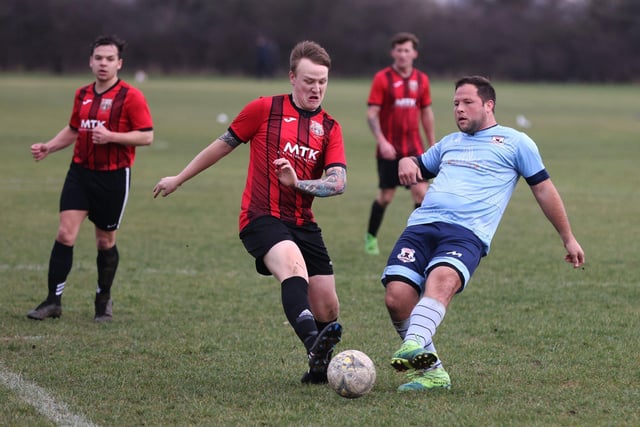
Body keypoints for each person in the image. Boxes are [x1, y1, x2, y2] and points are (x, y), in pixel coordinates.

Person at [153, 40, 346, 384]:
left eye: (322, 82)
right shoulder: (264, 109)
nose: (316, 89)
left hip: (304, 221)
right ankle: (314, 345)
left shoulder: (330, 127)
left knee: (328, 307)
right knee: (293, 267)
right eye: (308, 81)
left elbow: (338, 182)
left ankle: (318, 370)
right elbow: (221, 146)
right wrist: (179, 178)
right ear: (292, 77)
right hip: (260, 216)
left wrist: (297, 182)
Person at [382, 75, 585, 392]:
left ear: (488, 105)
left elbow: (544, 190)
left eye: (467, 103)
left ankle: (413, 344)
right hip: (421, 226)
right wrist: (406, 161)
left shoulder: (516, 143)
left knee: (442, 280)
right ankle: (432, 373)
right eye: (455, 104)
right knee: (397, 298)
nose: (459, 110)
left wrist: (568, 237)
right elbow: (418, 164)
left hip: (466, 233)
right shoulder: (449, 143)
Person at [27, 35, 154, 322]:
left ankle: (103, 299)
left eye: (110, 59)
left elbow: (146, 135)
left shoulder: (131, 96)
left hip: (113, 177)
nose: (103, 64)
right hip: (80, 173)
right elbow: (74, 128)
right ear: (90, 61)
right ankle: (52, 301)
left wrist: (112, 137)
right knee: (64, 233)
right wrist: (49, 146)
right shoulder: (82, 93)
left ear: (119, 63)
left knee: (104, 241)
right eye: (99, 58)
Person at [364, 32, 436, 255]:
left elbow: (426, 112)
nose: (403, 54)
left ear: (414, 53)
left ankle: (417, 240)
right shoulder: (382, 79)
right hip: (389, 151)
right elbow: (371, 114)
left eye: (407, 50)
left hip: (414, 149)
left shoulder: (422, 80)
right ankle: (371, 238)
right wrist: (382, 142)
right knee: (386, 198)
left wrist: (433, 144)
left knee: (422, 194)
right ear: (392, 52)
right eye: (399, 50)